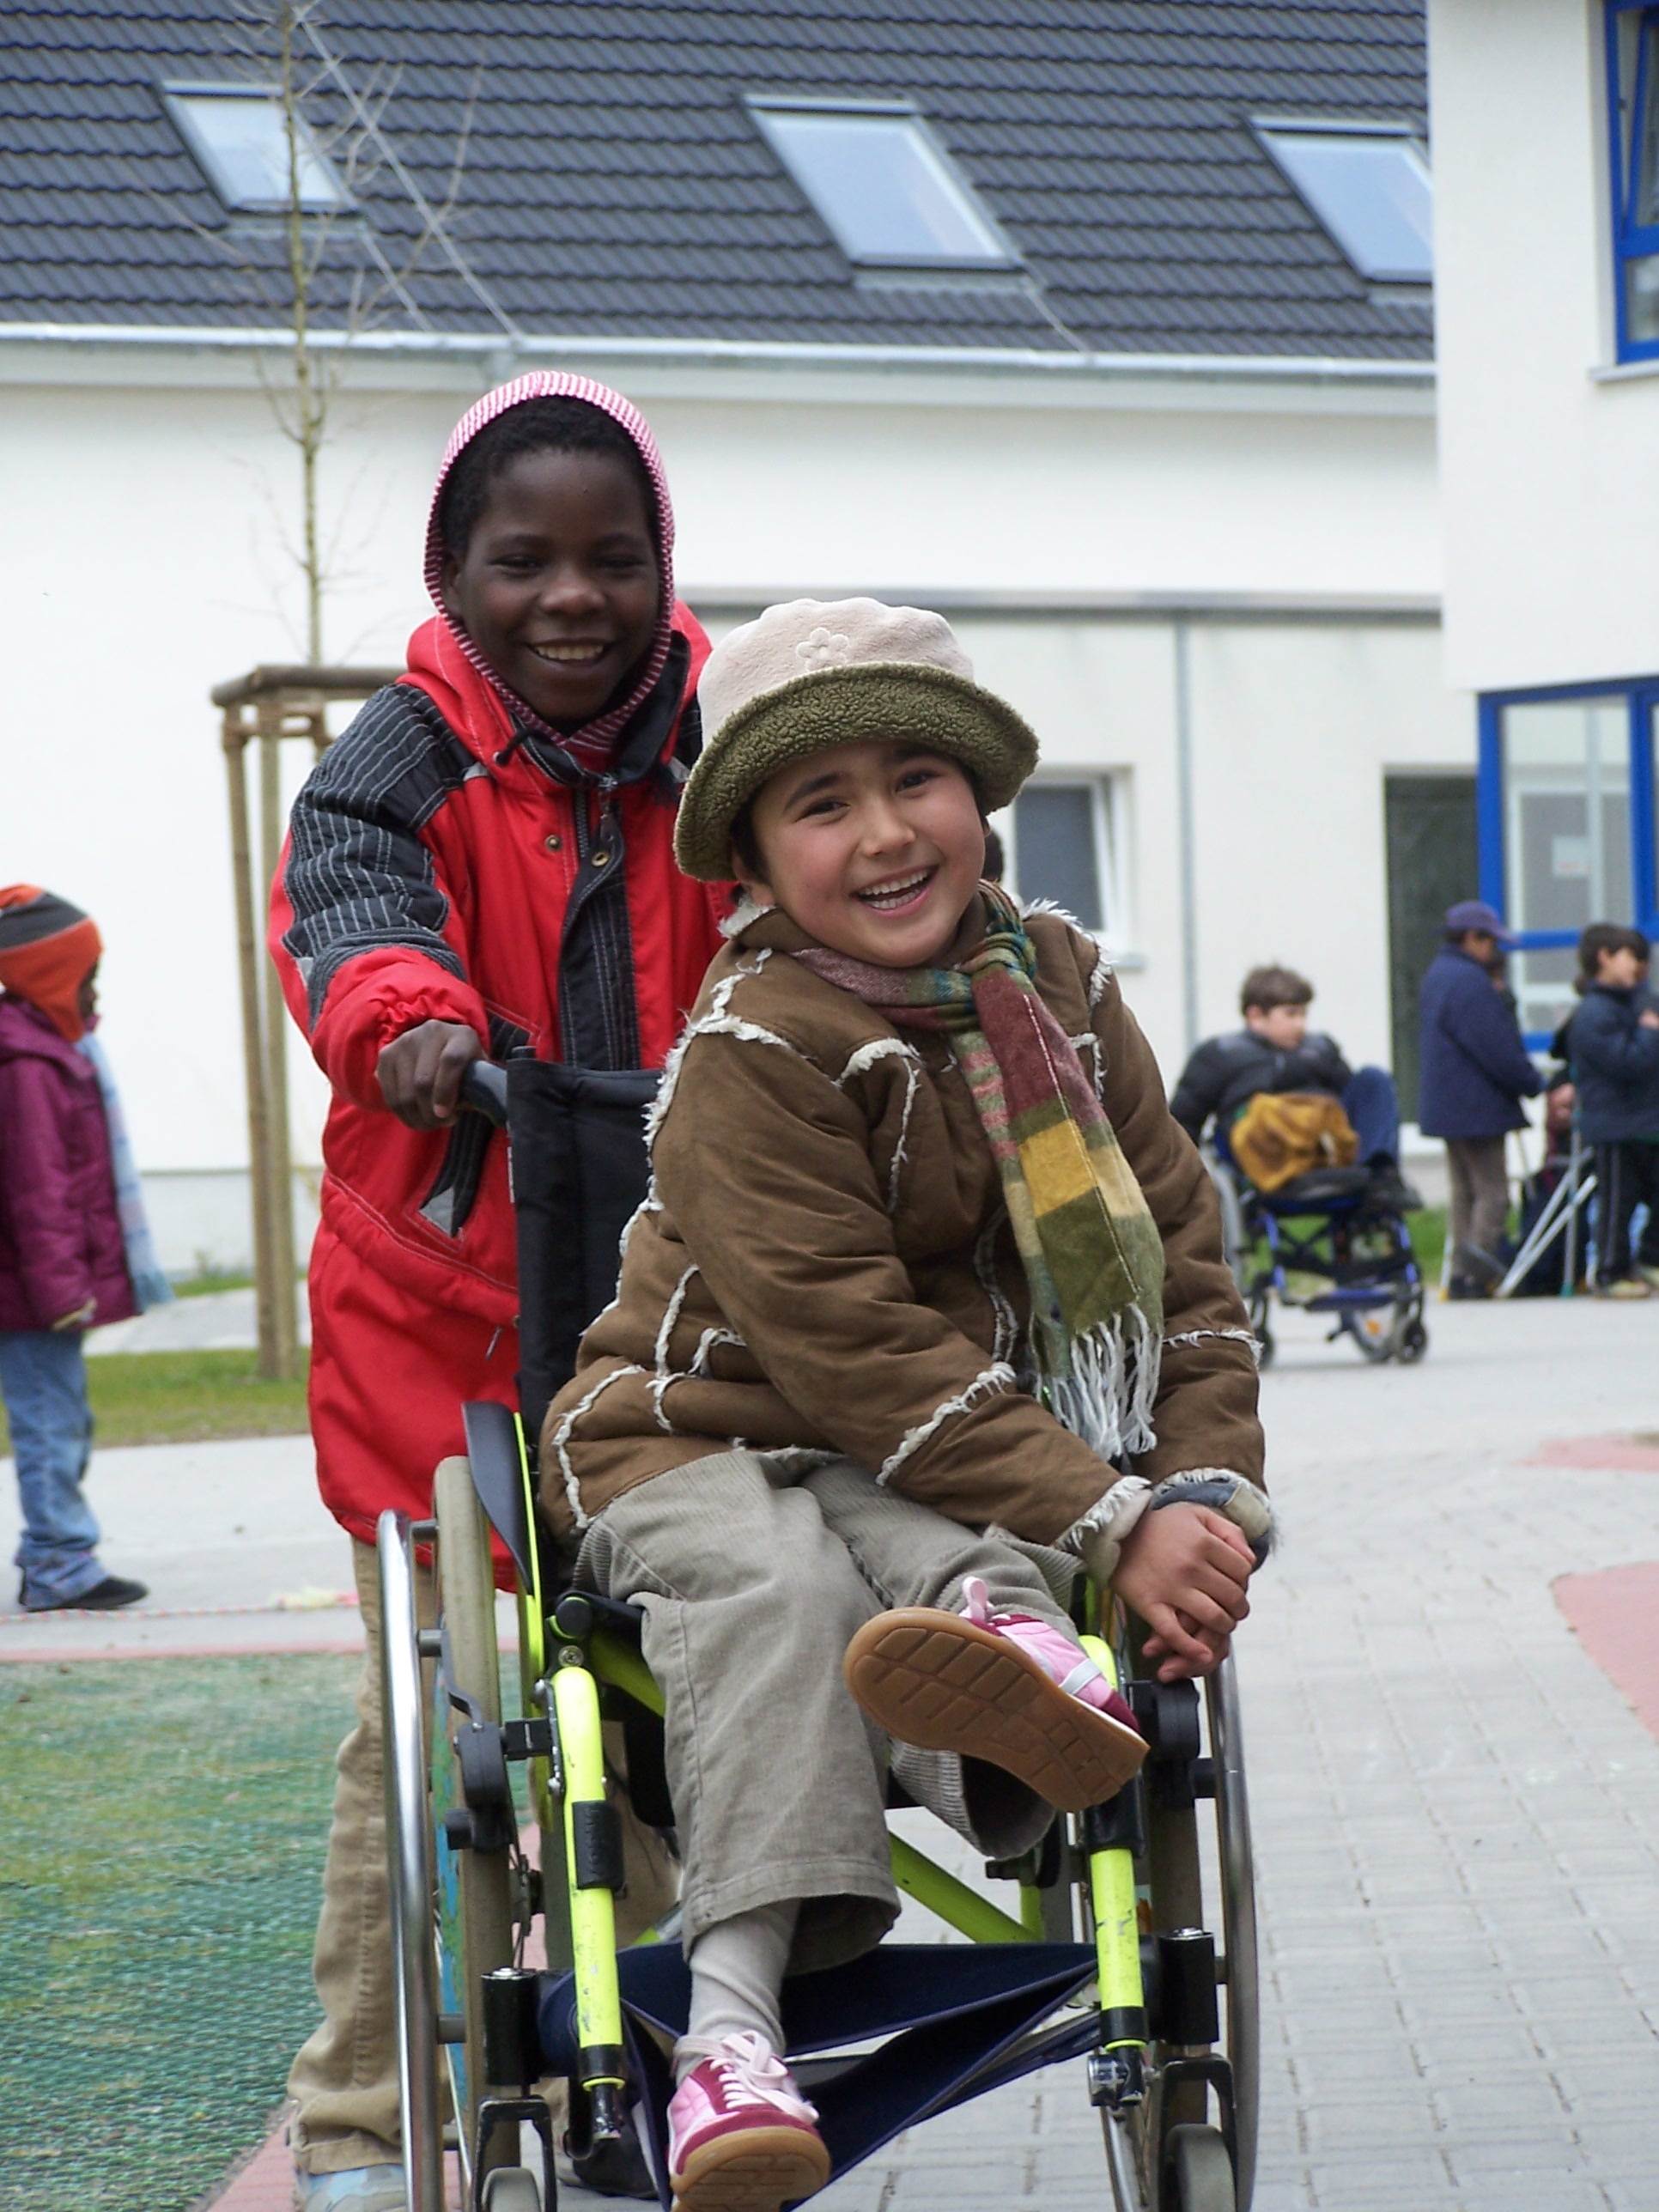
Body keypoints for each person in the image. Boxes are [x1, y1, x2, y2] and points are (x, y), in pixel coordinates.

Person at [542, 599, 1269, 2212]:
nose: (882, 833)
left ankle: (1003, 1683)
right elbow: (848, 1348)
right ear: (751, 855)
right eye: (821, 802)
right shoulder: (754, 1049)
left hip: (926, 1449)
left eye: (917, 777)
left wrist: (1204, 1505)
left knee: (938, 1541)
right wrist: (1107, 1515)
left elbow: (1181, 1282)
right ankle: (732, 2035)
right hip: (691, 1431)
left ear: (981, 799)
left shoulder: (1060, 988)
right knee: (786, 1580)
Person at [270, 374, 728, 2209]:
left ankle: (676, 2055)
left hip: (694, 1303)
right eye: (522, 559)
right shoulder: (397, 754)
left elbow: (824, 900)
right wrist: (420, 1037)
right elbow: (350, 916)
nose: (572, 595)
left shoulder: (726, 739)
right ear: (453, 575)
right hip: (442, 1310)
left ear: (660, 568)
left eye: (612, 559)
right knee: (435, 1712)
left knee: (690, 1673)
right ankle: (361, 2120)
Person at [0, 886, 170, 1613]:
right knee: (52, 1423)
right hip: (32, 1293)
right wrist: (64, 1292)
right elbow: (38, 1192)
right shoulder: (28, 1063)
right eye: (84, 969)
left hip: (30, 1288)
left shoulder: (46, 1049)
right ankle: (60, 1564)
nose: (94, 982)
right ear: (47, 975)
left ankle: (57, 1553)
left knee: (59, 1419)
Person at [1170, 964, 1415, 1208]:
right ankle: (1293, 1167)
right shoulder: (1221, 1054)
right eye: (1291, 1014)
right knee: (1265, 1111)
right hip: (1266, 1159)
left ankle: (1382, 1175)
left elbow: (1354, 1108)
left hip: (1325, 1149)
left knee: (1373, 1079)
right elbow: (1183, 1119)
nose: (1301, 1024)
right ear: (1255, 1016)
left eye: (1303, 1015)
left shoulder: (1320, 1049)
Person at [1417, 900, 1543, 1298]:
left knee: (1463, 1191)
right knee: (1492, 1190)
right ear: (1473, 939)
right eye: (1491, 942)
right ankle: (1478, 1273)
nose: (1495, 952)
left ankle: (1457, 1274)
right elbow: (1495, 1046)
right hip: (1478, 1107)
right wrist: (1532, 1082)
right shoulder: (1470, 980)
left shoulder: (1439, 974)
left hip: (1448, 1106)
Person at [1560, 923, 1659, 1298]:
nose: (1637, 966)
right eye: (1630, 956)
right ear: (1604, 957)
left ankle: (1651, 1259)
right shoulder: (1593, 1013)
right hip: (1616, 1124)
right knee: (1619, 1202)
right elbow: (1626, 1062)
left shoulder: (1639, 1003)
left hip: (1649, 1119)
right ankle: (1610, 1270)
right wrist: (1650, 1033)